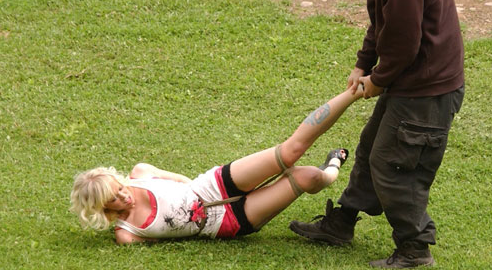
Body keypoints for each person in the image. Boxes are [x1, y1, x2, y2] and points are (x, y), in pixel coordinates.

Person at [289, 0, 465, 269]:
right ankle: (341, 224)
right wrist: (363, 63)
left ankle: (415, 248)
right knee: (372, 148)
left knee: (393, 165)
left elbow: (403, 47)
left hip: (428, 92)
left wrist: (378, 80)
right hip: (412, 83)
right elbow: (381, 21)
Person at [70, 87, 363, 244]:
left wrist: (200, 197)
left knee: (289, 153)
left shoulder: (141, 173)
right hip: (226, 223)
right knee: (307, 177)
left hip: (213, 185)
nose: (123, 195)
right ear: (103, 208)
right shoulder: (127, 233)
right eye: (114, 199)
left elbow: (183, 181)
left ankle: (354, 92)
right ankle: (332, 168)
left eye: (119, 188)